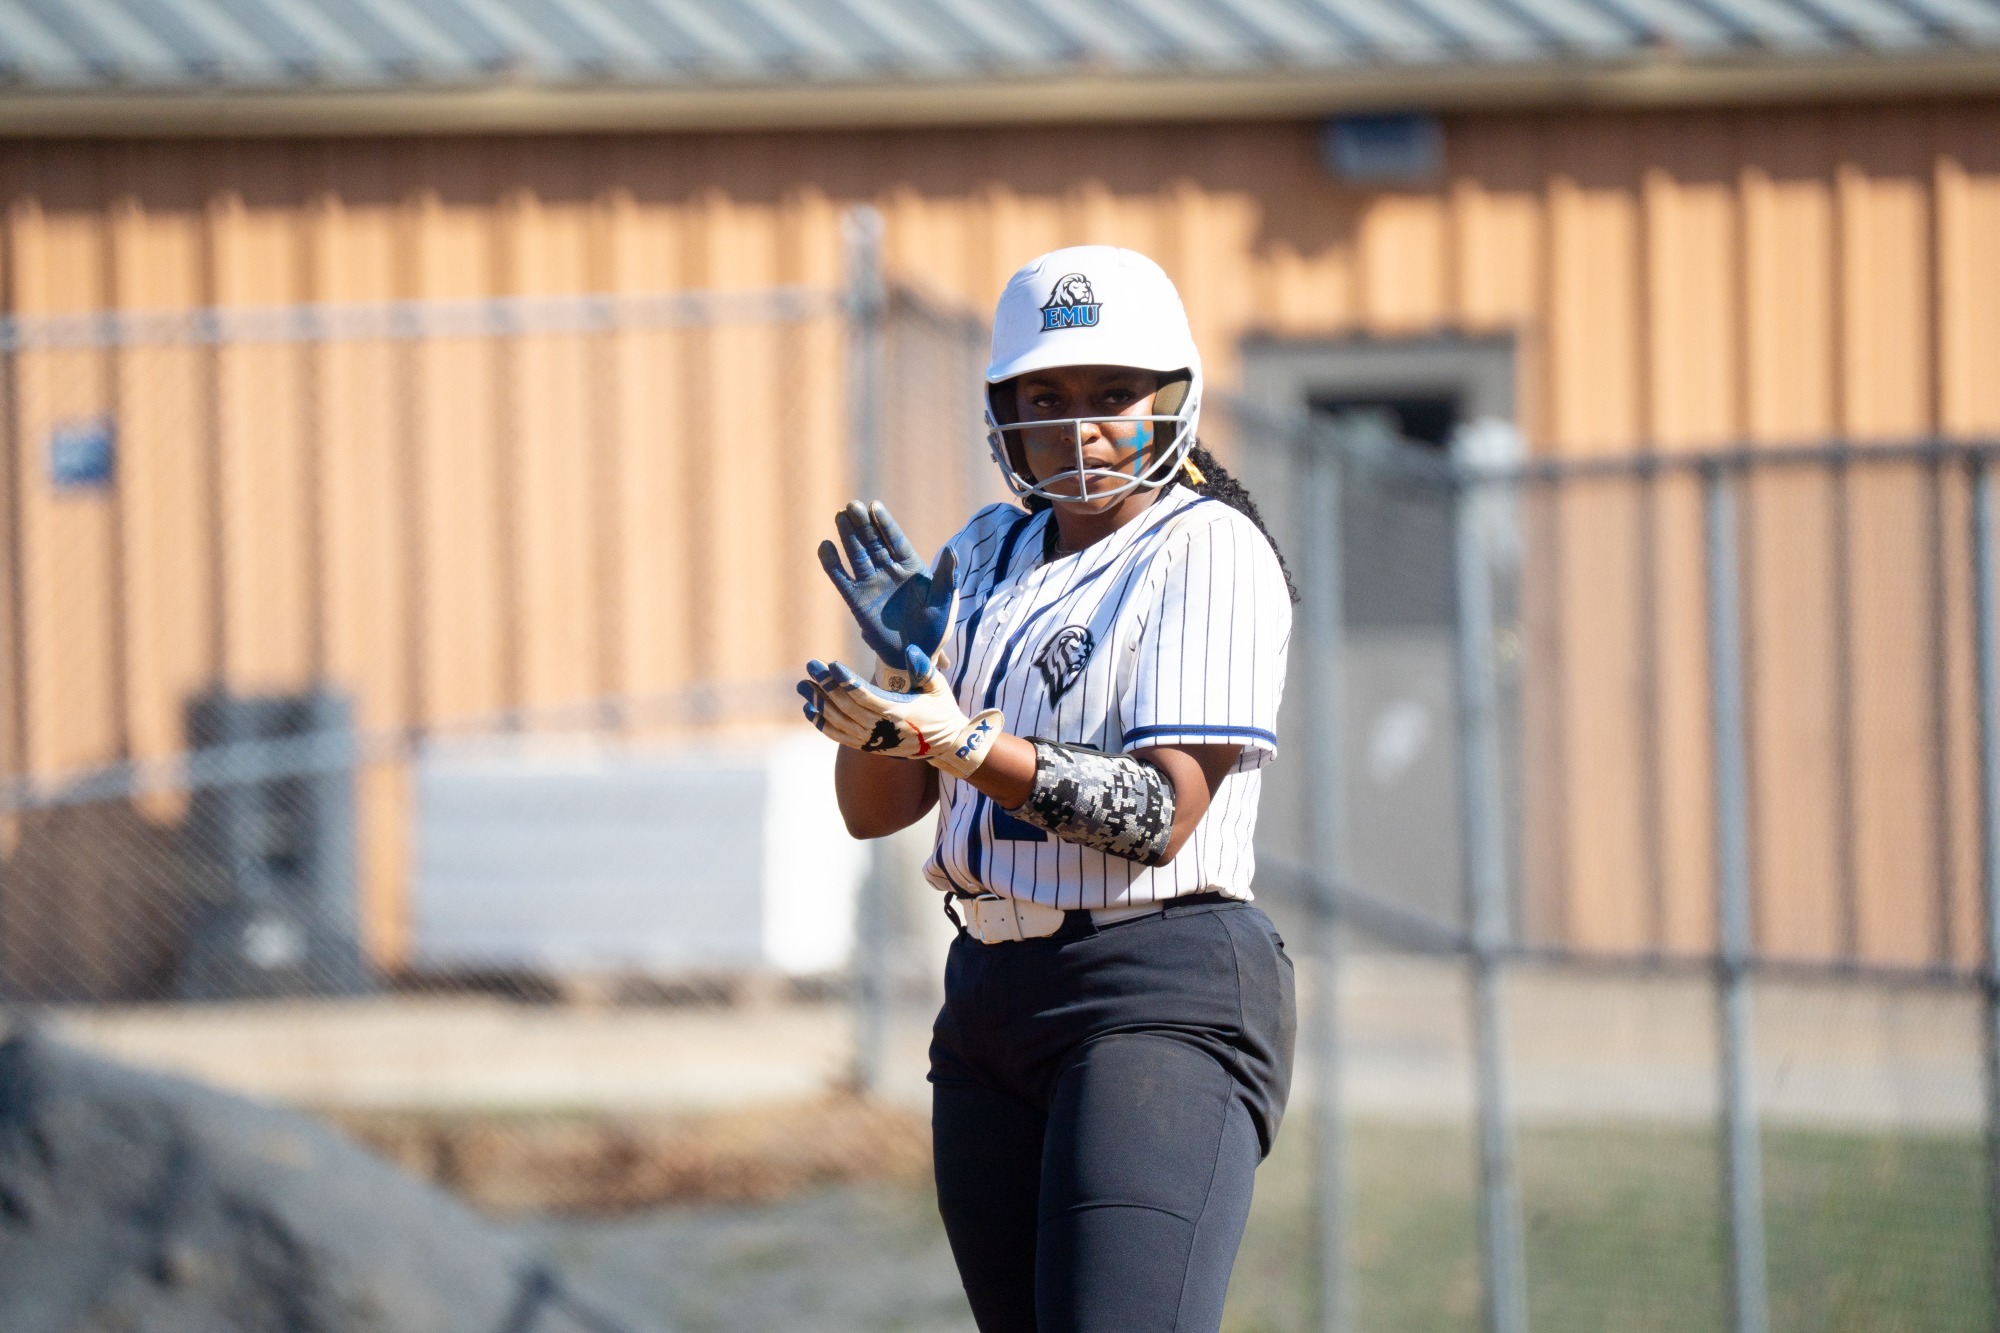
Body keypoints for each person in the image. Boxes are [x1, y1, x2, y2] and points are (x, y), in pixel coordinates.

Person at [797, 245, 1298, 1333]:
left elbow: (1158, 815)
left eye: (1113, 393)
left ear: (1170, 398)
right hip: (985, 996)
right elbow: (871, 809)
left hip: (1152, 990)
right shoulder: (982, 550)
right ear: (1004, 411)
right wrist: (894, 683)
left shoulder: (1207, 548)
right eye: (1047, 396)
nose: (1081, 426)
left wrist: (963, 739)